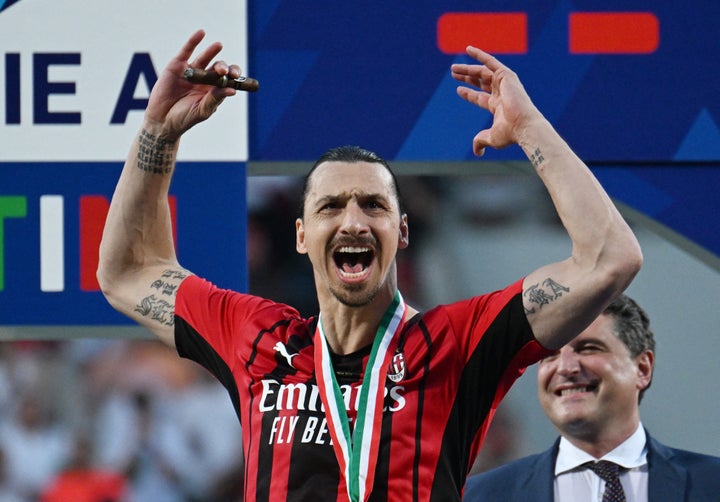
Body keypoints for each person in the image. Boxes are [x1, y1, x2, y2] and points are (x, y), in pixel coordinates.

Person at [97, 29, 642, 501]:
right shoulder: (257, 339)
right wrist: (158, 134)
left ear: (402, 233)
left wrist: (529, 129)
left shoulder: (458, 342)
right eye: (331, 206)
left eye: (374, 205)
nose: (354, 222)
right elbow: (126, 271)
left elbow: (608, 258)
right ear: (302, 235)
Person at [463, 294, 720, 501]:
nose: (565, 367)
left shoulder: (711, 484)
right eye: (549, 354)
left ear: (642, 369)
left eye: (588, 349)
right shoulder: (480, 496)